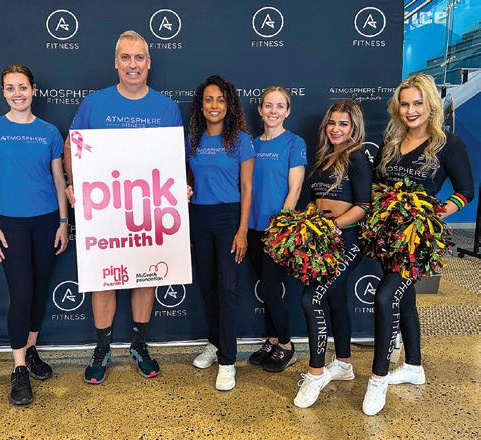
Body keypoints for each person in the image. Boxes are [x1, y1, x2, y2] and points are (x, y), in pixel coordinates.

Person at [63, 31, 183, 384]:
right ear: (116, 62)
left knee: (146, 277)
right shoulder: (94, 104)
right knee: (104, 279)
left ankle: (139, 345)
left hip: (147, 209)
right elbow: (71, 146)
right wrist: (74, 183)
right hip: (105, 209)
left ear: (149, 63)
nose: (133, 65)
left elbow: (175, 157)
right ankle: (102, 349)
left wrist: (181, 184)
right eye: (126, 57)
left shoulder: (166, 108)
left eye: (139, 57)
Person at [362, 74, 474, 416]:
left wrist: (431, 214)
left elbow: (465, 191)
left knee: (385, 298)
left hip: (416, 240)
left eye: (417, 103)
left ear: (430, 105)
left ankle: (378, 379)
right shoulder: (392, 142)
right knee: (405, 300)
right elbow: (378, 184)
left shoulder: (447, 144)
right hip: (388, 237)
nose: (410, 110)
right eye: (405, 104)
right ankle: (413, 366)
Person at [0, 65, 69, 405]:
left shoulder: (49, 132)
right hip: (9, 223)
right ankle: (18, 369)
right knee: (21, 293)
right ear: (3, 92)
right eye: (10, 88)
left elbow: (58, 179)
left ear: (34, 89)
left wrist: (63, 221)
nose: (17, 93)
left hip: (46, 221)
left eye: (23, 87)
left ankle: (30, 351)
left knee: (40, 290)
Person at [293, 99, 371, 408]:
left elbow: (363, 206)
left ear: (353, 128)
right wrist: (310, 221)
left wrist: (333, 226)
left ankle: (315, 374)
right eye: (332, 123)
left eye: (343, 124)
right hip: (323, 240)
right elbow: (315, 200)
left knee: (311, 299)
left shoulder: (357, 157)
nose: (336, 129)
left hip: (347, 240)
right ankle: (344, 364)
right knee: (335, 300)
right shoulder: (323, 158)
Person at [187, 75, 254, 391]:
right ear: (201, 105)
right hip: (199, 217)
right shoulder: (192, 140)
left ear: (229, 105)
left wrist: (242, 230)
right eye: (209, 99)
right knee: (208, 286)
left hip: (229, 218)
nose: (214, 105)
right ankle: (214, 343)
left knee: (227, 289)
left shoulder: (241, 140)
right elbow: (183, 177)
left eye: (220, 100)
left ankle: (228, 361)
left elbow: (247, 187)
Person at [246, 86, 307, 372]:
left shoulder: (294, 143)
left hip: (278, 231)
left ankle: (286, 345)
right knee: (266, 287)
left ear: (288, 111)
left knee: (272, 288)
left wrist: (280, 228)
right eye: (268, 105)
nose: (273, 111)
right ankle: (272, 340)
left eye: (279, 106)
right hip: (251, 228)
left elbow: (295, 190)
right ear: (260, 110)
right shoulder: (251, 145)